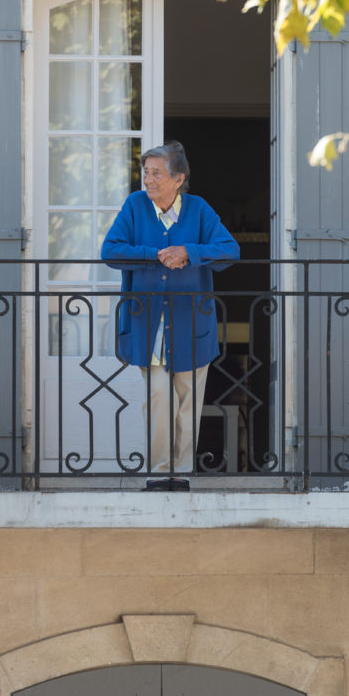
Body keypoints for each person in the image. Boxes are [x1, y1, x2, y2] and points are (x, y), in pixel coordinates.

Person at [101, 142, 240, 490]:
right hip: (149, 323)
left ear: (178, 178)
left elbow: (229, 250)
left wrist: (189, 252)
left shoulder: (198, 210)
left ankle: (181, 473)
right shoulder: (135, 206)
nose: (148, 180)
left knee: (188, 401)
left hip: (192, 323)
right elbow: (111, 250)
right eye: (145, 172)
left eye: (156, 173)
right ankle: (158, 472)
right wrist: (156, 254)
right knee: (158, 397)